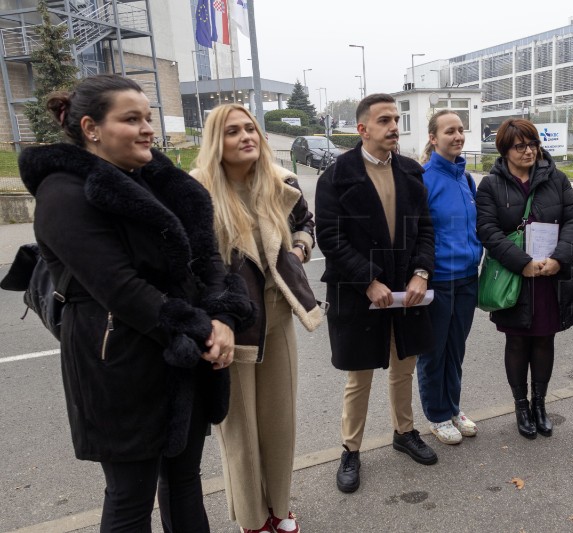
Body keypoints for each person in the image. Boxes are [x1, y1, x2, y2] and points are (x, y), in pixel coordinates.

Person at [17, 74, 252, 532]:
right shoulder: (62, 194)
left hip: (184, 357)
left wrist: (223, 317)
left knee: (184, 481)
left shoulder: (161, 183)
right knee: (130, 498)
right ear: (90, 127)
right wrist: (204, 330)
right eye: (131, 119)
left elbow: (208, 260)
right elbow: (121, 288)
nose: (147, 128)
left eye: (148, 117)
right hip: (118, 364)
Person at [192, 104, 324, 533]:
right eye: (233, 131)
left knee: (278, 423)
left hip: (278, 315)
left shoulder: (280, 183)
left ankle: (280, 507)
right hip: (230, 326)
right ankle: (253, 519)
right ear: (216, 142)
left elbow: (307, 224)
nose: (246, 136)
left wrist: (299, 250)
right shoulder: (197, 193)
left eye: (250, 128)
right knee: (239, 431)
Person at [316, 93, 437, 494]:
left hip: (407, 290)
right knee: (360, 374)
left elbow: (424, 229)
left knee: (404, 365)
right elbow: (330, 239)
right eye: (384, 120)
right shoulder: (336, 176)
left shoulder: (410, 172)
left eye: (396, 119)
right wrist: (367, 279)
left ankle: (404, 432)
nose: (394, 127)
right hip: (358, 292)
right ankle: (351, 449)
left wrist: (421, 273)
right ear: (362, 129)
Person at [475, 118, 573, 440]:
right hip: (515, 276)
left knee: (544, 339)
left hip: (550, 276)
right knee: (517, 340)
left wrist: (559, 259)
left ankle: (540, 404)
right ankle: (521, 406)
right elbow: (488, 230)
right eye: (519, 146)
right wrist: (521, 263)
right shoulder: (491, 185)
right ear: (505, 150)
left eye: (532, 144)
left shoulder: (557, 179)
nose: (528, 151)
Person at [416, 110, 483, 444]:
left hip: (468, 278)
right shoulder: (424, 178)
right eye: (449, 131)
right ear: (433, 138)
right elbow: (417, 233)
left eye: (460, 130)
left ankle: (453, 408)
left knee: (456, 349)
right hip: (438, 280)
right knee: (433, 352)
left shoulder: (465, 178)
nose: (457, 136)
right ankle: (437, 414)